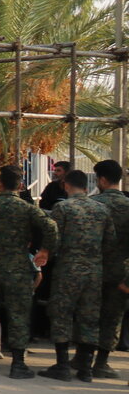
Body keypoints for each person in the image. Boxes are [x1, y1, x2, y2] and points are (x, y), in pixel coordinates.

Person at [0, 165, 58, 379]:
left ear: (0, 184)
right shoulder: (27, 208)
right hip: (17, 269)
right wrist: (44, 251)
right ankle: (18, 363)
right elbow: (51, 226)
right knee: (18, 314)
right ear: (20, 185)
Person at [41, 170, 115, 382]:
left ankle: (62, 366)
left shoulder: (62, 207)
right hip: (94, 271)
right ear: (85, 185)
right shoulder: (102, 209)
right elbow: (110, 242)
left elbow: (52, 240)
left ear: (65, 185)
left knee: (61, 314)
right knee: (89, 317)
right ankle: (86, 369)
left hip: (68, 270)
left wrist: (46, 254)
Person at [90, 159, 129, 378]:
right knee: (112, 317)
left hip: (92, 270)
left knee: (88, 314)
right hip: (119, 274)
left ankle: (81, 358)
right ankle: (102, 362)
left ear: (102, 180)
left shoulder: (93, 203)